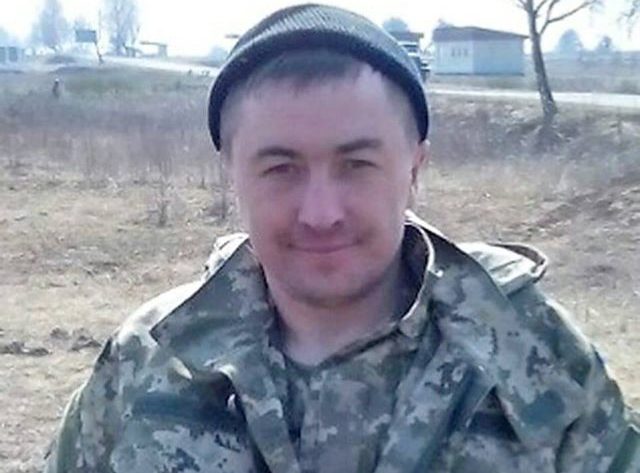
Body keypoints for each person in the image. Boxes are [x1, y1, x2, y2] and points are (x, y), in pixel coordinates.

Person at [45, 4, 639, 472]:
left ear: (414, 167)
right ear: (233, 174)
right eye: (281, 168)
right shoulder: (150, 359)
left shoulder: (531, 348)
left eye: (357, 165)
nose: (321, 213)